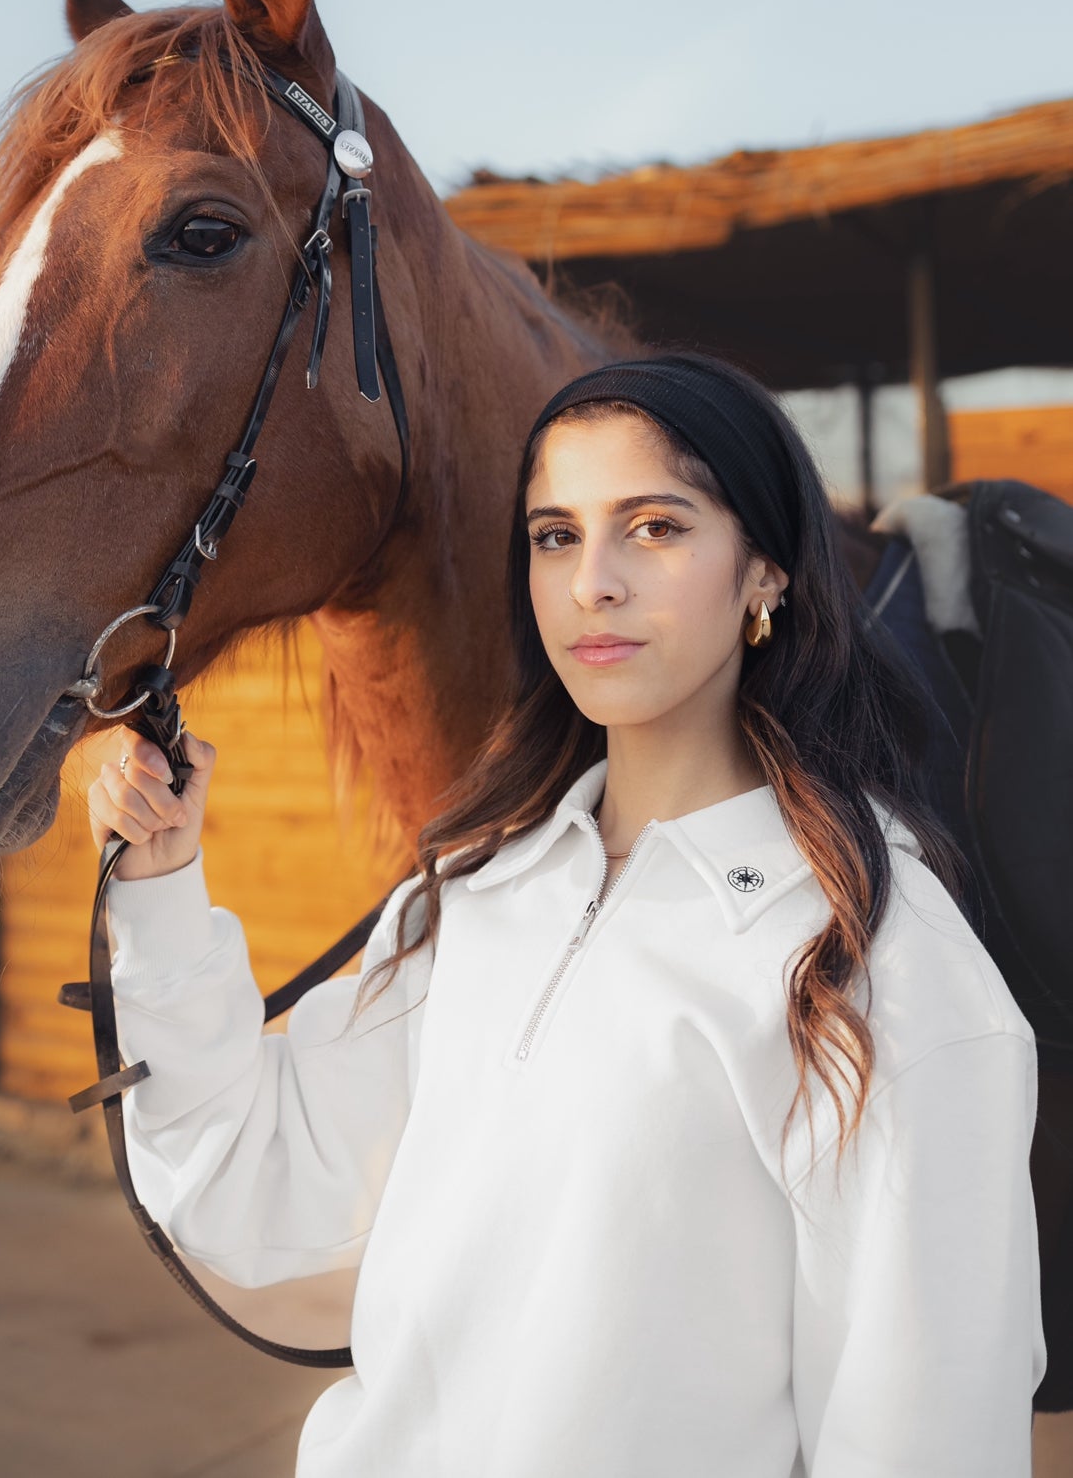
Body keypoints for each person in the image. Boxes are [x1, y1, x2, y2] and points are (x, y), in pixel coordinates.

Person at [88, 349, 1046, 1477]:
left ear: (766, 574)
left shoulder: (878, 961)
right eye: (556, 534)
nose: (593, 580)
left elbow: (920, 1431)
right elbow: (245, 1175)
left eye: (655, 527)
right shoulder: (476, 891)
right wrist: (159, 883)